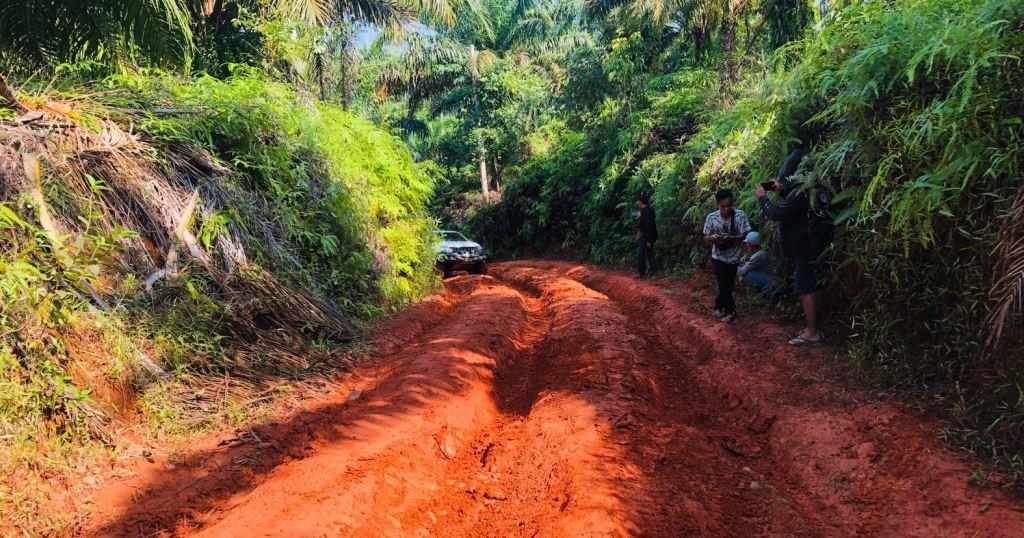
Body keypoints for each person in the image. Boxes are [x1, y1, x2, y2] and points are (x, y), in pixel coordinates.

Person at [756, 148, 832, 346]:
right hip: (819, 244)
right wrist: (782, 191)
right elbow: (796, 207)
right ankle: (814, 328)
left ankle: (812, 332)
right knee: (814, 286)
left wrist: (763, 197)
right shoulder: (814, 188)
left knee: (806, 288)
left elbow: (776, 213)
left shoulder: (799, 195)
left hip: (806, 247)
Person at [703, 189, 751, 322]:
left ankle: (719, 305)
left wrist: (731, 238)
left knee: (727, 285)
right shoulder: (711, 217)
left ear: (732, 203)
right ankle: (731, 311)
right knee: (723, 283)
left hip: (735, 256)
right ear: (717, 205)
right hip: (718, 256)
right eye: (723, 206)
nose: (726, 209)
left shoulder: (740, 215)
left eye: (729, 205)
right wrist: (712, 237)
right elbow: (706, 236)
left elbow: (745, 234)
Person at [737, 231, 777, 296]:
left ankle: (767, 291)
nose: (747, 245)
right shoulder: (766, 249)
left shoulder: (757, 256)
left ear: (751, 245)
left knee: (748, 273)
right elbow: (751, 264)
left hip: (769, 281)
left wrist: (731, 266)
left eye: (747, 244)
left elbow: (741, 272)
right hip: (773, 278)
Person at [635, 194, 659, 278]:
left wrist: (648, 240)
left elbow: (648, 226)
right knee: (649, 253)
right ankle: (654, 271)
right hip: (652, 235)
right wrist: (639, 217)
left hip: (647, 236)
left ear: (641, 202)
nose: (637, 203)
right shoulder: (649, 210)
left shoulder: (645, 212)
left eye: (638, 201)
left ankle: (641, 273)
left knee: (640, 254)